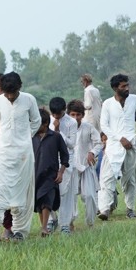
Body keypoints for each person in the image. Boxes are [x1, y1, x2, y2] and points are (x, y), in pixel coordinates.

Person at [0, 72, 42, 241]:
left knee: (22, 191)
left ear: (20, 87)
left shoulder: (29, 99)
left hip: (24, 153)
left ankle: (20, 231)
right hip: (3, 151)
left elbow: (36, 121)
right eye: (7, 93)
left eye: (13, 92)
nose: (10, 96)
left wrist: (26, 137)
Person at [97, 74, 136, 220]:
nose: (127, 88)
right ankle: (105, 209)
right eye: (123, 86)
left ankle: (130, 209)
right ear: (115, 88)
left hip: (131, 145)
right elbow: (104, 125)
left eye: (127, 85)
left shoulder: (134, 99)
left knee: (130, 180)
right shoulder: (108, 103)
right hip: (113, 146)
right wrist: (119, 139)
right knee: (107, 177)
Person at [32, 108, 69, 237]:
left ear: (45, 123)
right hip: (34, 175)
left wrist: (61, 173)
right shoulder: (31, 137)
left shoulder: (56, 137)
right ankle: (45, 226)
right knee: (38, 202)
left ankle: (44, 228)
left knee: (47, 200)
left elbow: (65, 156)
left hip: (50, 175)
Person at [67, 100, 100, 229]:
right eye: (73, 115)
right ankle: (69, 223)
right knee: (70, 197)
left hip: (86, 166)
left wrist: (92, 152)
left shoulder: (88, 127)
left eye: (78, 115)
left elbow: (99, 143)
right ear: (68, 114)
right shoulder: (64, 128)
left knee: (90, 196)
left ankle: (90, 223)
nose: (75, 118)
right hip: (70, 167)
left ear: (83, 115)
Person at [49, 96, 80, 233]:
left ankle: (65, 224)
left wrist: (58, 131)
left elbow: (72, 144)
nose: (56, 117)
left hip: (66, 161)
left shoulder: (71, 122)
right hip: (49, 159)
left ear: (64, 110)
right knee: (47, 191)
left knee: (65, 192)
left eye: (59, 114)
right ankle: (51, 219)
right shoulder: (47, 120)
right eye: (54, 114)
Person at [80, 73, 104, 139]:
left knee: (89, 135)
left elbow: (88, 105)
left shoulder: (87, 91)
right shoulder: (96, 90)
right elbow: (101, 102)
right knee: (98, 133)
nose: (82, 83)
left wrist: (81, 104)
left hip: (90, 116)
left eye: (82, 82)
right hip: (98, 115)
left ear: (85, 81)